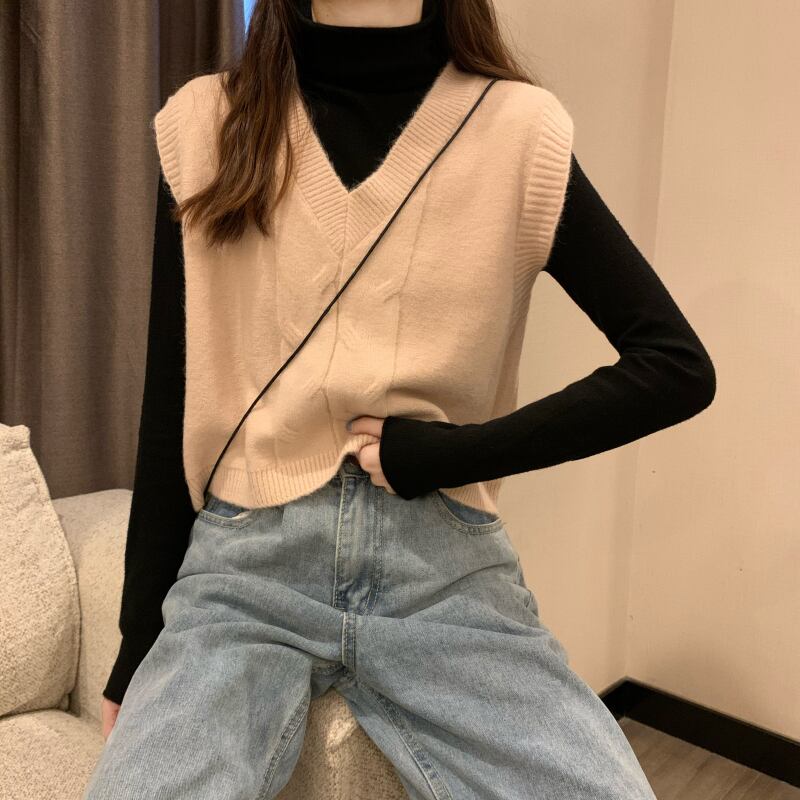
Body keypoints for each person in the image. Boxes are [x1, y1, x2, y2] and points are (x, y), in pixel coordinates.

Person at [85, 0, 715, 798]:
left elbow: (675, 366)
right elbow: (170, 401)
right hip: (245, 571)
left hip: (444, 576)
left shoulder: (519, 132)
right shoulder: (206, 124)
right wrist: (137, 641)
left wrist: (455, 454)